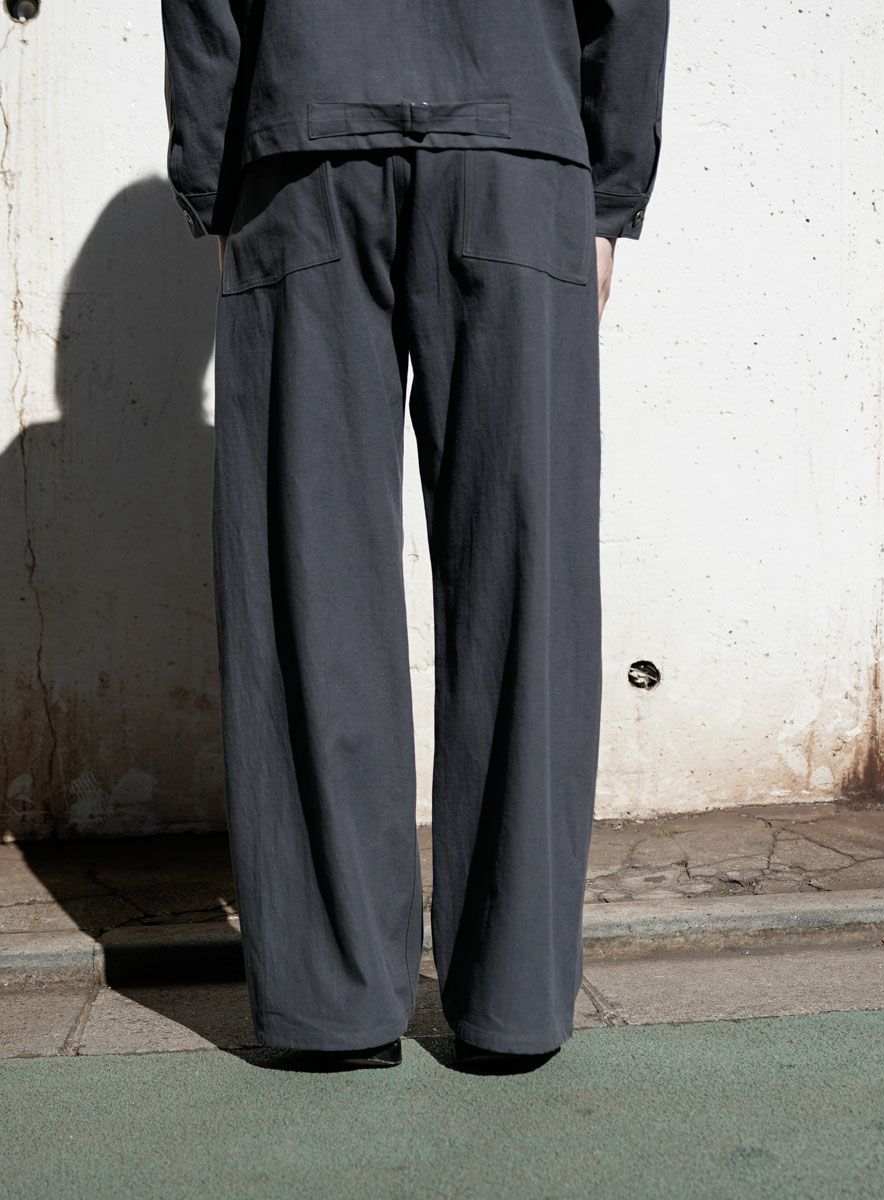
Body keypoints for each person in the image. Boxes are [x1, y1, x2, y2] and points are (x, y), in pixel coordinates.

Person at [160, 0, 670, 1069]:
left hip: (304, 142)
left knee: (311, 576)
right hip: (519, 143)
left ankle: (332, 999)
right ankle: (512, 998)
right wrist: (609, 190)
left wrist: (215, 177)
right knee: (525, 575)